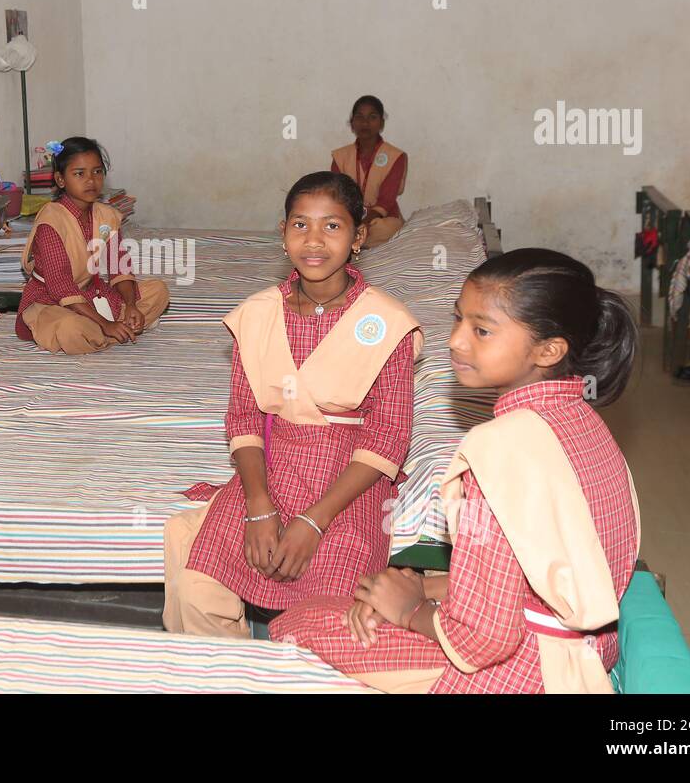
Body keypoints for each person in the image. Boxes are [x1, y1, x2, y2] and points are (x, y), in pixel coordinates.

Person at [271, 249, 641, 693]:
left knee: (298, 625)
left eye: (481, 330)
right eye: (458, 320)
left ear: (548, 350)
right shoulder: (587, 423)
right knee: (356, 600)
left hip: (524, 671)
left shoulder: (500, 449)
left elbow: (484, 640)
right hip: (582, 653)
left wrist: (409, 611)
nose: (456, 341)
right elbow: (530, 573)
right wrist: (427, 587)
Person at [163, 171, 421, 637]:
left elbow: (388, 436)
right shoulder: (258, 314)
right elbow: (243, 415)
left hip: (349, 481)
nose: (314, 241)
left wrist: (313, 521)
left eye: (333, 226)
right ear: (282, 233)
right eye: (300, 225)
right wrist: (258, 504)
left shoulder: (387, 323)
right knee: (197, 586)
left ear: (359, 236)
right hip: (273, 462)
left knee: (331, 616)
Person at [16, 137, 168, 353]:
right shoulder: (51, 222)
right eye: (79, 173)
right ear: (61, 180)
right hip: (52, 301)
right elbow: (61, 287)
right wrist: (106, 324)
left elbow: (119, 267)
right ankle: (111, 332)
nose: (90, 180)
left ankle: (112, 330)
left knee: (158, 291)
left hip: (92, 293)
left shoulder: (107, 216)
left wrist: (132, 305)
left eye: (97, 172)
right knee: (71, 329)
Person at [330, 95, 407, 247]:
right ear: (352, 124)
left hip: (381, 220)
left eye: (372, 117)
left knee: (388, 229)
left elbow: (386, 201)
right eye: (359, 117)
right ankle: (354, 240)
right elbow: (337, 196)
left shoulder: (395, 156)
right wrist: (352, 223)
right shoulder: (340, 156)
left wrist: (362, 225)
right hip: (349, 218)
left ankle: (352, 241)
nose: (365, 123)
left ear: (381, 123)